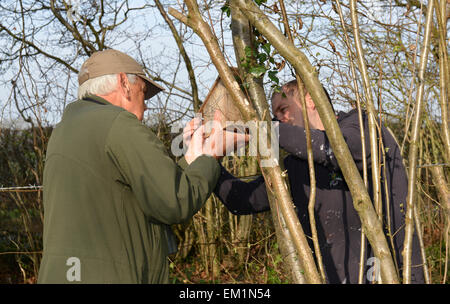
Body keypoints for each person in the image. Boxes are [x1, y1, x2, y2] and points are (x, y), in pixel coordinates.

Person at [38, 49, 228, 283]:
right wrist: (212, 156)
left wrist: (192, 158)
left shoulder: (64, 130)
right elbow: (174, 201)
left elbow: (135, 192)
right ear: (123, 82)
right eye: (144, 91)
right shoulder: (119, 123)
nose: (146, 106)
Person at [214, 79, 425, 284]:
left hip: (393, 273)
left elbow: (336, 150)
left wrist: (258, 128)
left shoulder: (361, 126)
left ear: (310, 99)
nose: (278, 119)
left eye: (283, 109)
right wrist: (208, 161)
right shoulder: (296, 165)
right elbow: (242, 200)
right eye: (274, 114)